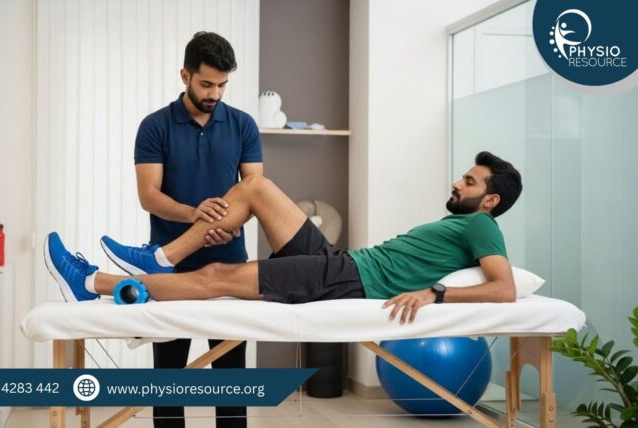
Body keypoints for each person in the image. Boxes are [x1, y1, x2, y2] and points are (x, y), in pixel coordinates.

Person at [46, 151, 522, 328]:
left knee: (217, 275)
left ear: (490, 201)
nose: (458, 183)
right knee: (254, 187)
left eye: (470, 182)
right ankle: (159, 257)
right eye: (463, 177)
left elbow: (504, 289)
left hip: (351, 280)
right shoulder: (465, 223)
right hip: (343, 263)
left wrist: (436, 293)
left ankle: (91, 282)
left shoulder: (481, 226)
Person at [98, 32, 261, 428]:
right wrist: (196, 215)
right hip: (171, 267)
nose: (215, 93)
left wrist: (227, 224)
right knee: (168, 383)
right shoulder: (154, 127)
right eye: (206, 84)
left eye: (222, 85)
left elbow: (255, 193)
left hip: (229, 265)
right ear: (185, 75)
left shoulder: (243, 125)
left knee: (231, 385)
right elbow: (149, 196)